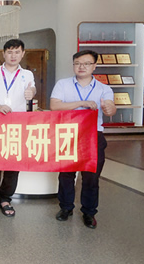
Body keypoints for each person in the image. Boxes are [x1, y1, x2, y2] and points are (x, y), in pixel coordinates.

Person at [50, 50, 116, 229]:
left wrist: (108, 108)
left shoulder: (104, 89)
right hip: (68, 134)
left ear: (94, 66)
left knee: (91, 177)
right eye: (78, 63)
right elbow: (54, 106)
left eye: (86, 63)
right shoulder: (63, 84)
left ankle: (89, 212)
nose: (81, 67)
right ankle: (66, 208)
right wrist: (81, 103)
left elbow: (111, 109)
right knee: (66, 174)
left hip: (93, 136)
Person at [0, 39, 36, 217]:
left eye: (17, 52)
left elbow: (32, 89)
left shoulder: (27, 74)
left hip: (16, 124)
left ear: (23, 54)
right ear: (3, 54)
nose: (13, 56)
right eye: (10, 52)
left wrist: (32, 93)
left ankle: (6, 198)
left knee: (13, 161)